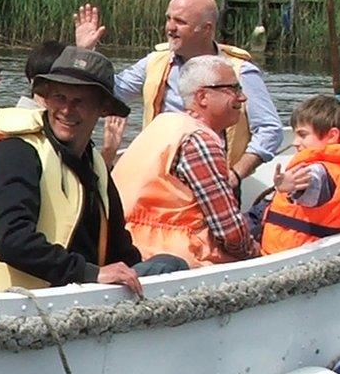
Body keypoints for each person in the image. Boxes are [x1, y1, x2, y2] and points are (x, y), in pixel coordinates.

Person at [0, 47, 187, 295]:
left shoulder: (94, 162)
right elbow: (11, 241)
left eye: (79, 102)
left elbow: (119, 247)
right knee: (170, 267)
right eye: (59, 98)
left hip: (80, 292)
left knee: (169, 265)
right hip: (27, 300)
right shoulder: (18, 151)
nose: (66, 110)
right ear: (46, 99)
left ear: (103, 109)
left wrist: (122, 272)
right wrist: (92, 273)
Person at [72, 0, 281, 186]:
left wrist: (236, 174)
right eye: (168, 18)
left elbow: (269, 129)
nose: (169, 28)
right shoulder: (156, 62)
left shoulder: (239, 71)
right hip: (158, 175)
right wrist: (86, 53)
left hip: (214, 178)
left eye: (180, 22)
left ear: (207, 28)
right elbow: (111, 92)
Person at [109, 55, 261, 266]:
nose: (242, 98)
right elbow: (230, 233)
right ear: (202, 97)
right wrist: (259, 254)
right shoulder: (200, 141)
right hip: (176, 257)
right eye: (233, 89)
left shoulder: (162, 124)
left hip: (125, 247)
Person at [261, 95, 340, 254]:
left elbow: (314, 183)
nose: (295, 142)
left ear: (332, 136)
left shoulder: (321, 171)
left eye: (302, 135)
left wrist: (292, 187)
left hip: (286, 259)